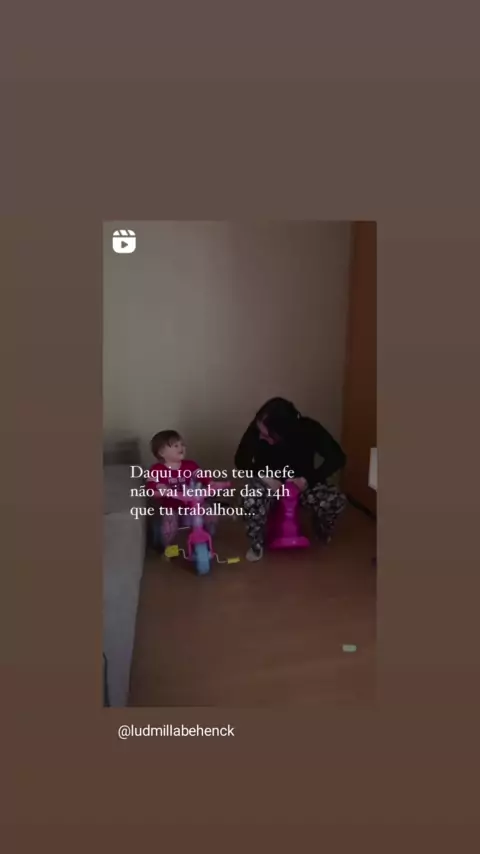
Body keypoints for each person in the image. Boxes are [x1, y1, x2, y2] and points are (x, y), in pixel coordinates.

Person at [234, 398, 347, 561]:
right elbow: (241, 460)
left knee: (335, 500)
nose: (261, 437)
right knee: (250, 500)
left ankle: (320, 528)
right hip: (268, 483)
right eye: (260, 433)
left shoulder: (308, 428)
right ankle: (256, 543)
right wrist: (266, 478)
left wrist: (307, 480)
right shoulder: (257, 428)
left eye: (268, 436)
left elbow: (337, 457)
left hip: (301, 485)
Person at [146, 430, 217, 551]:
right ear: (162, 452)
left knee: (210, 512)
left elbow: (202, 476)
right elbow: (152, 488)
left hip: (192, 504)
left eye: (182, 444)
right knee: (169, 522)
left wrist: (211, 484)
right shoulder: (156, 470)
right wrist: (162, 490)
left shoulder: (190, 465)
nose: (181, 447)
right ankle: (168, 547)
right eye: (176, 446)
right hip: (172, 506)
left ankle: (207, 536)